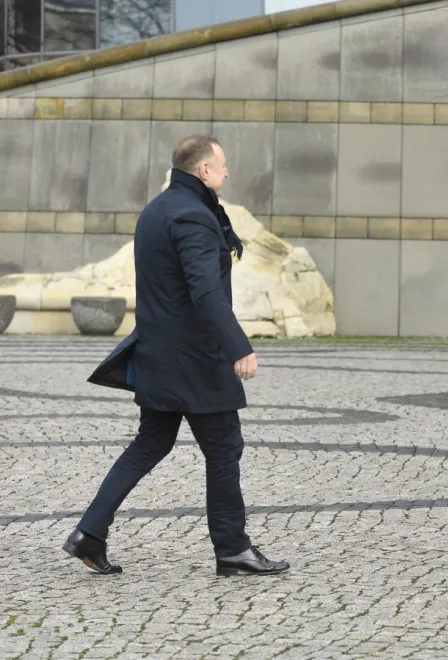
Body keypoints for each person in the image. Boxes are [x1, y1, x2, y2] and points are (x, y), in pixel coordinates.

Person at [63, 136, 289, 576]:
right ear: (203, 171)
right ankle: (233, 549)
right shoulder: (194, 216)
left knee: (151, 442)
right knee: (224, 448)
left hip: (159, 354)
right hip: (195, 359)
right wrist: (238, 346)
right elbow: (204, 291)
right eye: (222, 165)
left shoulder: (157, 211)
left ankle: (89, 533)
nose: (227, 173)